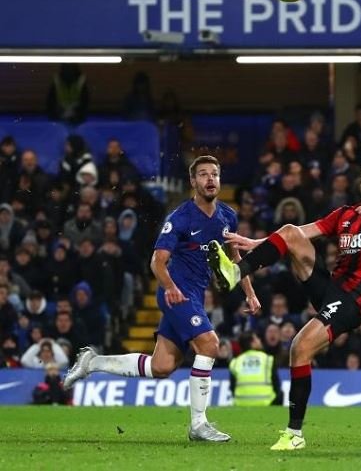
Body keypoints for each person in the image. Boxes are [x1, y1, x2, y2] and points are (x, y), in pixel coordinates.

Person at [207, 155, 361, 450]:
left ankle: (294, 434)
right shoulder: (346, 213)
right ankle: (235, 274)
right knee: (291, 230)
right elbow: (299, 234)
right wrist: (258, 244)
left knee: (299, 347)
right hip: (331, 287)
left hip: (354, 300)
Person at [64, 155, 259, 442]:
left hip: (193, 296)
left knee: (162, 367)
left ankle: (91, 362)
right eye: (203, 174)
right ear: (193, 182)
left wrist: (251, 294)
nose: (209, 179)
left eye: (214, 174)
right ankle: (198, 424)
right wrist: (169, 287)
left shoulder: (227, 216)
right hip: (176, 294)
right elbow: (157, 262)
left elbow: (236, 260)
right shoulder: (180, 218)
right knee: (210, 344)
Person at [229, 332, 283, 406]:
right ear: (252, 343)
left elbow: (232, 387)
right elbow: (276, 385)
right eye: (257, 338)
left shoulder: (235, 362)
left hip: (241, 403)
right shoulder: (267, 359)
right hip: (266, 403)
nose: (259, 340)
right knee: (281, 394)